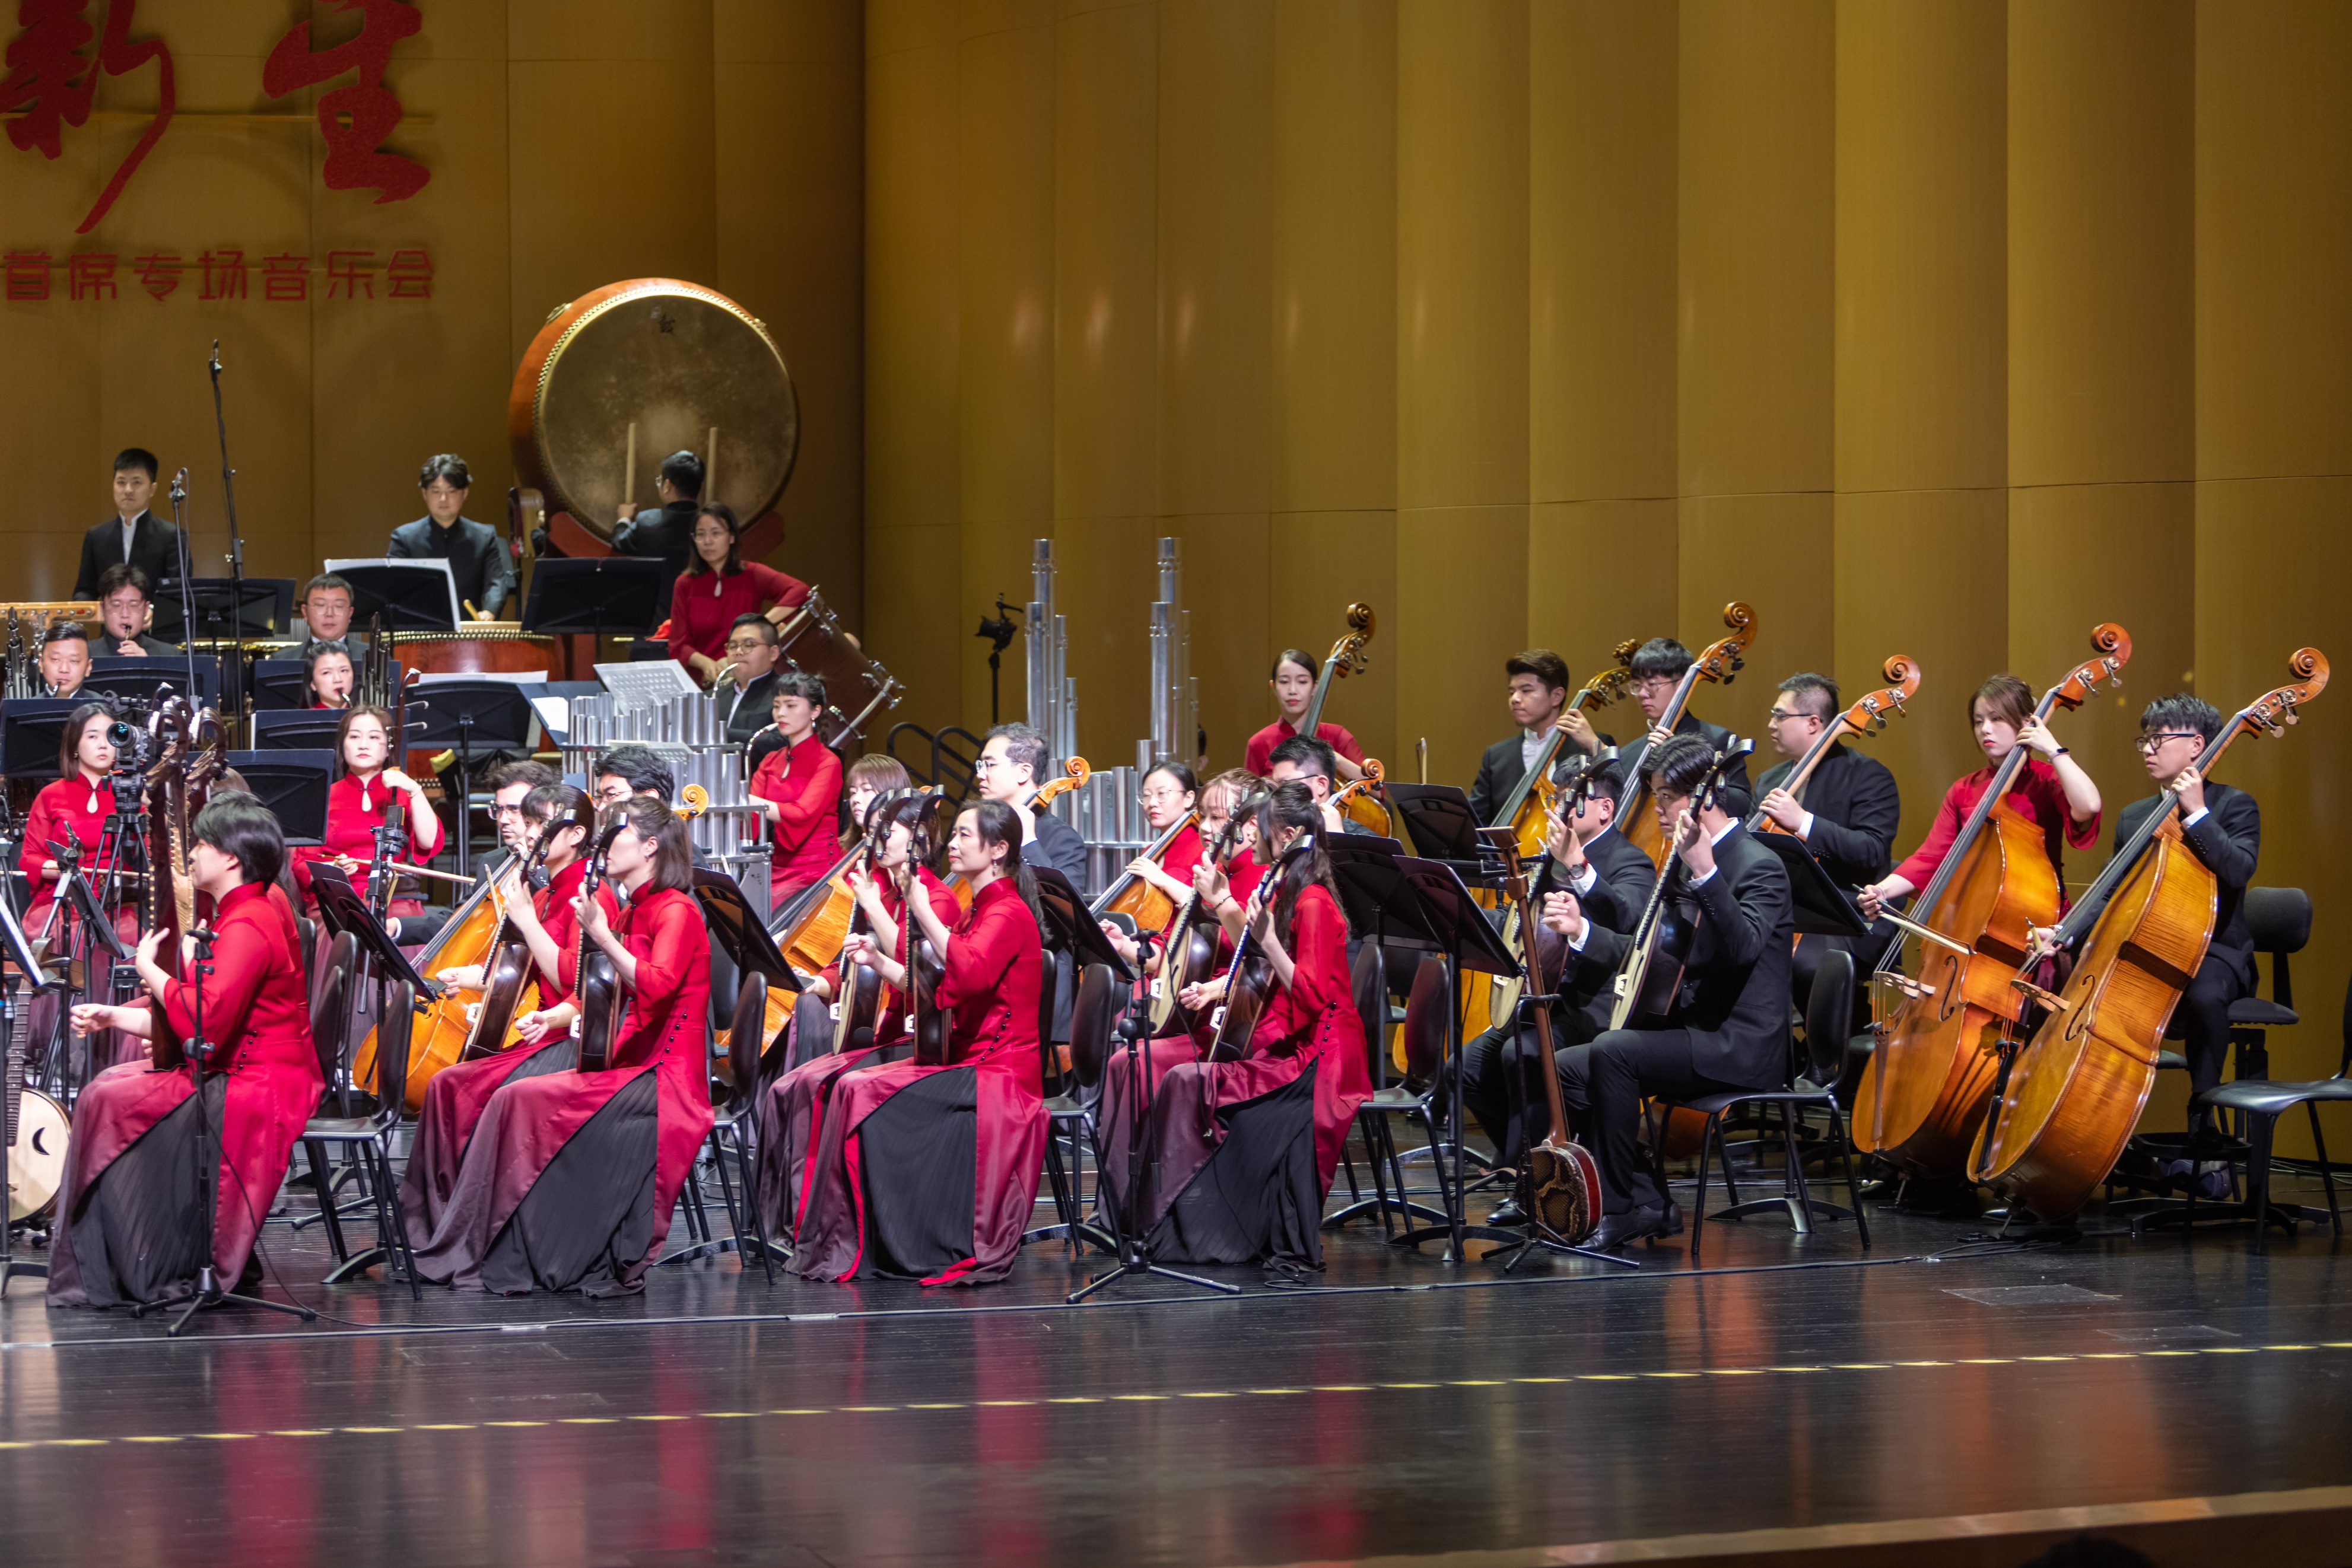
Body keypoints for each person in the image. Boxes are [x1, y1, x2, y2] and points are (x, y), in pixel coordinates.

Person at [408, 796, 714, 1295]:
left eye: (618, 834)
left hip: (665, 1076)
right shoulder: (638, 906)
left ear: (652, 846)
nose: (605, 844)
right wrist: (559, 1011)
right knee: (501, 1095)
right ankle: (471, 1240)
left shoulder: (676, 910)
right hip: (628, 1059)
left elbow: (657, 985)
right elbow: (597, 988)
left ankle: (518, 1249)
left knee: (516, 1097)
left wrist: (600, 935)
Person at [49, 796, 318, 1307]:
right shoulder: (247, 908)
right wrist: (113, 1014)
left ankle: (141, 1262)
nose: (190, 855)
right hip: (241, 1064)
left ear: (232, 858)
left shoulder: (248, 922)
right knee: (106, 1086)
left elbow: (206, 1021)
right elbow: (199, 1016)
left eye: (199, 844)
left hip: (258, 1080)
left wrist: (147, 966)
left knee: (108, 1100)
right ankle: (134, 1255)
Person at [1100, 781, 1372, 1277]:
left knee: (1188, 1080)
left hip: (1319, 1060)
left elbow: (1310, 997)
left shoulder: (1312, 901)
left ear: (1286, 835)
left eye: (1261, 828)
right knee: (1185, 1079)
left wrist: (1265, 939)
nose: (1252, 834)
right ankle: (1162, 1227)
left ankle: (1192, 1232)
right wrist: (1227, 930)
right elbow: (1259, 973)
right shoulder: (1284, 887)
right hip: (1292, 1043)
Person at [1547, 735, 1794, 1250]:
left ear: (1705, 797)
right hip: (1693, 1028)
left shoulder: (1760, 864)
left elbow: (1745, 948)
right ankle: (1649, 1198)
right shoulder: (1682, 858)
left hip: (1740, 1043)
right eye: (1656, 796)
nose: (1657, 809)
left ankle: (1620, 1209)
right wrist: (1583, 926)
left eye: (1667, 797)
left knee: (1614, 1053)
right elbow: (1649, 944)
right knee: (1564, 1066)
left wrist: (1706, 872)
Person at [788, 799, 1048, 1285]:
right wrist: (879, 963)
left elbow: (967, 972)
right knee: (849, 1085)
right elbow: (934, 982)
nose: (952, 842)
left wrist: (923, 908)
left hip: (1000, 1074)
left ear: (998, 850)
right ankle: (865, 1240)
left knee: (859, 1089)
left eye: (965, 835)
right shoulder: (980, 908)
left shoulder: (1008, 912)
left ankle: (892, 1241)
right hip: (969, 1060)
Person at [2032, 695, 2258, 1197]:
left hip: (2216, 952)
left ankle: (2205, 1131)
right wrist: (2065, 933)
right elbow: (2110, 890)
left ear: (2197, 745)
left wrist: (2197, 814)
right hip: (2148, 951)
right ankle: (2101, 1138)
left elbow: (2240, 870)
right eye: (2145, 739)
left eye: (2160, 739)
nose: (2148, 749)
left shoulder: (2233, 804)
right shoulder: (2136, 815)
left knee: (2202, 995)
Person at [757, 792, 965, 1238]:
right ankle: (786, 1221)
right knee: (786, 1086)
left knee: (815, 1084)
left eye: (887, 831)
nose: (877, 840)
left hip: (913, 1036)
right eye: (874, 831)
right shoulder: (878, 886)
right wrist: (823, 981)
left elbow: (915, 972)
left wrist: (872, 906)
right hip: (878, 1028)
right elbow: (851, 956)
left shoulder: (936, 898)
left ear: (920, 838)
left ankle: (825, 1221)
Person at [401, 784, 599, 1244]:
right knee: (446, 1082)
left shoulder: (587, 894)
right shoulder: (551, 891)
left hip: (571, 1039)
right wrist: (471, 976)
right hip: (548, 1033)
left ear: (576, 835)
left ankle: (474, 1230)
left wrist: (526, 919)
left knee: (469, 1088)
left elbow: (576, 981)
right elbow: (525, 971)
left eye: (538, 823)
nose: (528, 834)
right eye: (528, 823)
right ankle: (432, 1224)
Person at [1455, 752, 1657, 1201]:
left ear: (1605, 808)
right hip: (1544, 999)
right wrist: (1465, 916)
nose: (1559, 810)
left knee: (1519, 1054)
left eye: (1570, 800)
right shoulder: (1550, 860)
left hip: (1594, 1007)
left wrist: (1581, 870)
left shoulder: (1631, 862)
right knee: (1464, 1068)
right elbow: (1521, 922)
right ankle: (1532, 1158)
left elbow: (1629, 922)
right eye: (1559, 798)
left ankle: (1526, 1185)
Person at [1857, 673, 2102, 923]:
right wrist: (1882, 891)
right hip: (1976, 920)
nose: (1985, 729)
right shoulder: (1964, 789)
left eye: (1996, 719)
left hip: (2040, 922)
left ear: (2026, 722)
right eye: (1978, 721)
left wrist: (2054, 750)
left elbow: (2088, 807)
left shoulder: (2046, 779)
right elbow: (1930, 856)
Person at [1753, 672, 1900, 1010]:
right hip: (1784, 913)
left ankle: (1824, 1060)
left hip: (1849, 915)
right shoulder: (1769, 782)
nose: (1771, 724)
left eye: (1780, 715)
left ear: (1813, 722)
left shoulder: (1868, 775)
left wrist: (1803, 821)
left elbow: (1871, 851)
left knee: (1797, 963)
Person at [290, 704, 446, 925]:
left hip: (394, 898)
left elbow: (428, 841)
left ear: (388, 747)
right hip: (339, 897)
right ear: (343, 745)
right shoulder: (323, 796)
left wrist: (415, 790)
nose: (363, 745)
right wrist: (333, 870)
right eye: (354, 737)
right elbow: (302, 863)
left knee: (402, 930)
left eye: (374, 737)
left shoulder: (401, 793)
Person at [1617, 637, 1755, 821]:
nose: (1643, 693)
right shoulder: (1627, 754)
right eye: (1637, 685)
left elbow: (1741, 804)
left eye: (1652, 684)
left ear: (1682, 684)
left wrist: (1682, 766)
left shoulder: (1718, 740)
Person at [667, 504, 809, 680]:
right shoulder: (684, 583)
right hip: (702, 680)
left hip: (745, 677)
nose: (707, 541)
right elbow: (678, 645)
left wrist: (760, 624)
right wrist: (707, 664)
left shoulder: (752, 574)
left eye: (716, 533)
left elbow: (800, 590)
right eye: (701, 534)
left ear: (732, 537)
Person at [1466, 650, 1609, 823]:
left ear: (1556, 696)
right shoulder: (1496, 756)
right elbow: (1476, 821)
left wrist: (1595, 745)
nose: (1515, 699)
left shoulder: (1592, 745)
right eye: (1512, 692)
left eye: (1526, 691)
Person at [19, 704, 125, 936]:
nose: (103, 744)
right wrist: (62, 869)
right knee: (64, 931)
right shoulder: (50, 795)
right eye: (92, 736)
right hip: (61, 897)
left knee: (127, 932)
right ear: (75, 745)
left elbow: (146, 855)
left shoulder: (131, 794)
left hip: (117, 901)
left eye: (110, 736)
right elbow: (29, 858)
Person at [749, 672, 844, 906]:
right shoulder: (770, 759)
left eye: (791, 705)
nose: (781, 713)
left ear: (815, 711)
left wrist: (746, 801)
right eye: (777, 706)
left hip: (817, 870)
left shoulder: (828, 762)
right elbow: (749, 816)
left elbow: (803, 813)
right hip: (775, 867)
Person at [386, 454, 513, 621]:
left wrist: (490, 611)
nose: (443, 499)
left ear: (464, 493)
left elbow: (495, 582)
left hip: (467, 634)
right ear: (425, 493)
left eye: (451, 491)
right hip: (418, 630)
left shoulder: (484, 537)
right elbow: (394, 586)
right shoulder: (404, 538)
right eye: (436, 491)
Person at [975, 720, 1088, 887]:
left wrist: (1028, 843)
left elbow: (1065, 909)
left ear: (1024, 772)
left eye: (989, 765)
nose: (980, 774)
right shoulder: (981, 827)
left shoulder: (1063, 839)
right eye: (980, 765)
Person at [72, 447, 180, 606]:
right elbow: (85, 589)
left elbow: (177, 595)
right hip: (110, 630)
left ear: (152, 489)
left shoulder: (171, 536)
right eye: (121, 482)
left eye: (136, 482)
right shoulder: (97, 536)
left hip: (156, 629)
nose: (128, 490)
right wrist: (79, 611)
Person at [1243, 648, 1366, 781]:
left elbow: (1377, 790)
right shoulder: (1258, 743)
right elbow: (1249, 800)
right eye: (1284, 682)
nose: (1293, 690)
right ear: (1273, 687)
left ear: (1315, 687)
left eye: (1302, 682)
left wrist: (1335, 759)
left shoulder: (1339, 736)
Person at [613, 449, 704, 608]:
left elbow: (620, 542)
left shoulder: (648, 521)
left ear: (667, 486)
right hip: (696, 621)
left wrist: (624, 518)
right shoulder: (708, 526)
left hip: (654, 625)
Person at [1267, 734, 1366, 835]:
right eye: (1275, 786)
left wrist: (1338, 838)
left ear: (1321, 784)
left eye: (1285, 784)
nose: (1276, 794)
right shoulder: (1274, 832)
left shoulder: (1363, 839)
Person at [716, 613, 786, 745]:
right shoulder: (715, 695)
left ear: (773, 653)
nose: (738, 651)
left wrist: (718, 734)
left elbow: (781, 742)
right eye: (732, 646)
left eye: (748, 645)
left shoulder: (786, 695)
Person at [92, 562, 180, 657]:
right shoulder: (83, 655)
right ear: (102, 608)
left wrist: (147, 666)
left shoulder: (170, 655)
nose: (125, 614)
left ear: (146, 609)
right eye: (116, 605)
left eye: (133, 605)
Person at [841, 753, 913, 846]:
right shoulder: (844, 851)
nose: (856, 799)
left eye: (867, 789)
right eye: (853, 792)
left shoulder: (899, 854)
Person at [293, 572, 363, 655]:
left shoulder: (374, 656)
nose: (329, 614)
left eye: (339, 606)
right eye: (320, 605)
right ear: (305, 612)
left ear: (350, 613)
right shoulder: (284, 659)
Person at [38, 623, 90, 697]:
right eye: (55, 659)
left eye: (74, 661)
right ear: (41, 663)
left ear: (88, 667)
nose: (64, 669)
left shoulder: (106, 707)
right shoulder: (26, 708)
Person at [304, 639, 355, 709]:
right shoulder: (306, 719)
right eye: (326, 672)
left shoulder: (365, 718)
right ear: (313, 684)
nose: (338, 679)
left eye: (344, 670)